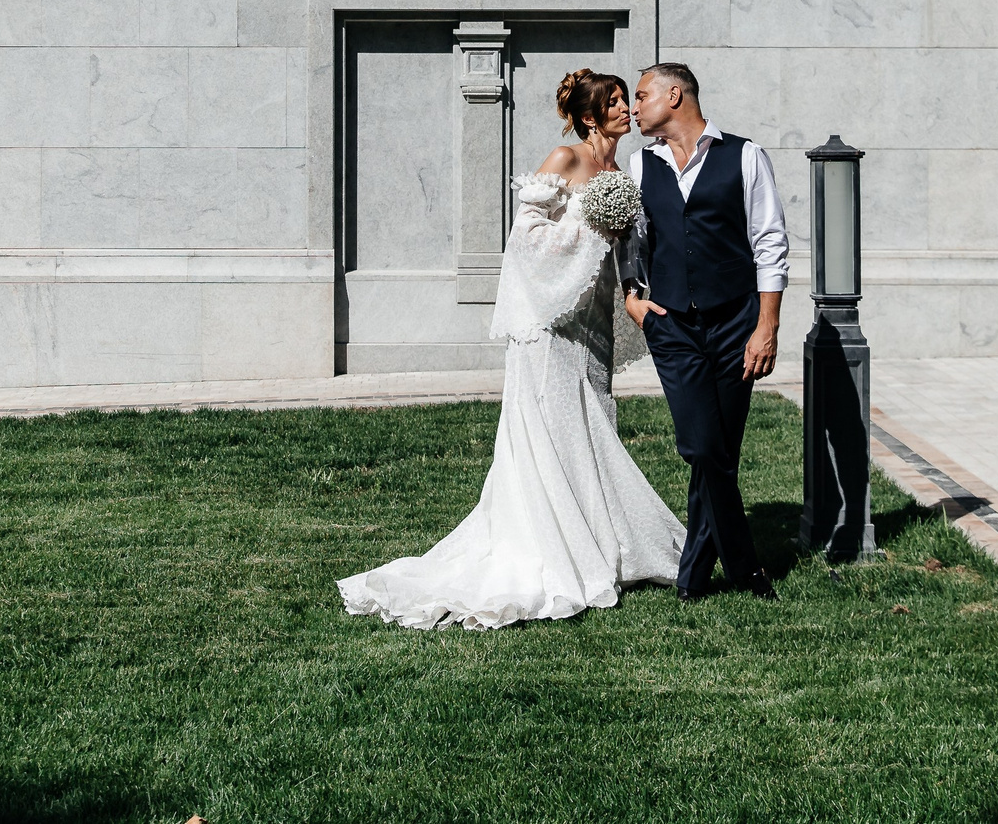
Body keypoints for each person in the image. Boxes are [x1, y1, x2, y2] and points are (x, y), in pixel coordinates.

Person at [337, 70, 685, 629]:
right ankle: (553, 545)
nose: (625, 109)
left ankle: (602, 539)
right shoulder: (565, 161)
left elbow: (626, 253)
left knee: (592, 419)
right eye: (615, 103)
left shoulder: (622, 171)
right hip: (548, 323)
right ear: (590, 117)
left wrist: (630, 292)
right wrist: (592, 226)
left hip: (591, 320)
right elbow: (524, 241)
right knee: (550, 424)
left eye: (627, 100)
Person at [623, 62, 787, 601]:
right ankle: (745, 568)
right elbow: (632, 243)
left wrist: (766, 327)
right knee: (700, 445)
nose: (634, 106)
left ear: (675, 95)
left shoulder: (744, 155)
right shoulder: (639, 164)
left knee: (718, 452)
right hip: (671, 324)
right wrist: (633, 299)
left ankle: (693, 578)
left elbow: (769, 244)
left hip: (736, 323)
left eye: (643, 95)